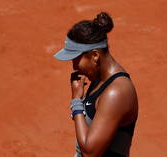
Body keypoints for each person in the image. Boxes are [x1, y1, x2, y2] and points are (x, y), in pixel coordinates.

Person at [54, 12, 138, 157]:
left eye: (76, 59)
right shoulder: (98, 80)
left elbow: (90, 152)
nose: (74, 67)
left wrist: (76, 102)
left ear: (94, 56)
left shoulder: (116, 92)